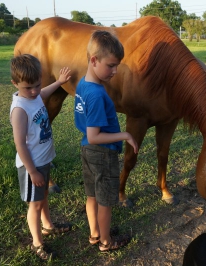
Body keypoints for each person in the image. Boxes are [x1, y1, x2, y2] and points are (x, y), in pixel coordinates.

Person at [74, 30, 138, 252]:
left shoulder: (83, 84)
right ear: (94, 60)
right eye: (111, 65)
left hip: (87, 150)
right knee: (106, 202)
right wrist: (126, 135)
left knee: (92, 196)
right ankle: (106, 241)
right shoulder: (97, 95)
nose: (115, 71)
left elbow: (88, 136)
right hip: (102, 152)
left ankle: (95, 233)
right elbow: (95, 135)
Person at [10, 54, 72, 261]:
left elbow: (43, 92)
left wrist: (60, 82)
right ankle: (37, 244)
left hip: (43, 161)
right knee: (34, 205)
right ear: (15, 84)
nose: (35, 91)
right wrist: (32, 171)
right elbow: (20, 144)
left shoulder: (34, 95)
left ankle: (48, 227)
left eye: (37, 85)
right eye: (28, 88)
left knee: (43, 196)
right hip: (32, 167)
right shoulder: (19, 109)